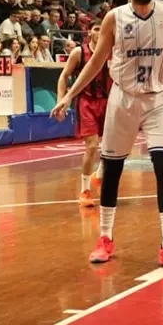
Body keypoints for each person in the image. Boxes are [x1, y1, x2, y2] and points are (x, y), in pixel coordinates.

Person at [50, 0, 163, 271]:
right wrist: (69, 95)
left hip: (159, 98)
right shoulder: (115, 18)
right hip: (123, 97)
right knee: (113, 169)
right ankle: (105, 238)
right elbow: (95, 63)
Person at [57, 24, 110, 208]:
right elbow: (64, 76)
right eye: (95, 28)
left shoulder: (113, 50)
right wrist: (61, 100)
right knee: (92, 146)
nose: (98, 32)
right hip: (86, 102)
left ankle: (99, 175)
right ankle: (85, 190)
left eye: (101, 28)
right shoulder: (79, 53)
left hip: (109, 101)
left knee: (116, 147)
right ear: (89, 32)